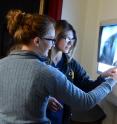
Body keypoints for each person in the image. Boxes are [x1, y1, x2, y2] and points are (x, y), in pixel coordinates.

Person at [0, 10, 117, 124]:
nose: (52, 45)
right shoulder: (46, 72)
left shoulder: (2, 63)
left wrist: (45, 97)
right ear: (37, 41)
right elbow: (86, 101)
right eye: (51, 40)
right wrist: (112, 81)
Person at [46, 20, 116, 124]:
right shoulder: (41, 61)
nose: (70, 43)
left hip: (62, 117)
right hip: (40, 115)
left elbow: (87, 86)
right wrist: (47, 99)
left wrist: (103, 76)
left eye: (72, 40)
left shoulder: (72, 64)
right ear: (56, 36)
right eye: (67, 38)